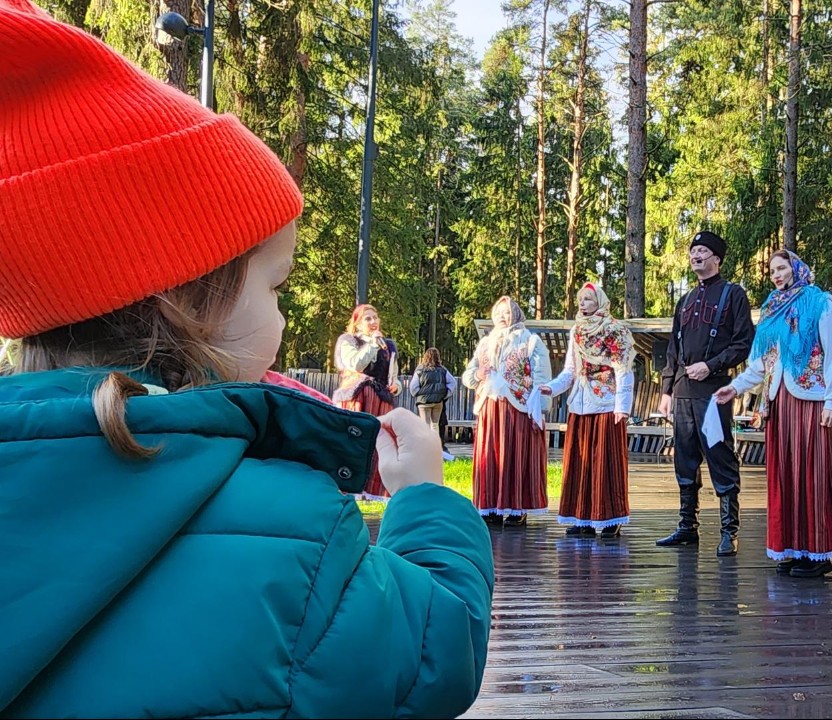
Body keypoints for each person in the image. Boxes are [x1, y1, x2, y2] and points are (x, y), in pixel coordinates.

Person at [0, 4, 494, 718]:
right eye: (275, 286)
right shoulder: (302, 536)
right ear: (189, 302)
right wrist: (424, 498)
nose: (283, 315)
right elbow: (433, 651)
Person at [715, 249, 832, 578]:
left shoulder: (820, 302)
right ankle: (790, 548)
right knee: (786, 476)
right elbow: (762, 362)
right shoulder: (772, 307)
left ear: (796, 268)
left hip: (811, 399)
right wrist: (735, 387)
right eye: (772, 270)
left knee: (812, 474)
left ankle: (818, 554)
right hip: (780, 403)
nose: (776, 274)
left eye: (782, 268)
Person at [655, 230, 755, 556]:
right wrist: (667, 390)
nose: (695, 256)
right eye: (692, 251)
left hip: (714, 392)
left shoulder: (733, 294)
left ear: (717, 258)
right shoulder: (685, 300)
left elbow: (743, 343)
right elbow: (674, 349)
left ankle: (729, 532)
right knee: (684, 459)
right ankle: (687, 527)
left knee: (720, 456)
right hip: (683, 391)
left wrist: (711, 366)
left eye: (702, 251)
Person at [540, 283, 636, 539]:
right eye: (580, 299)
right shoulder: (578, 331)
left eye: (588, 299)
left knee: (605, 463)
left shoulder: (615, 329)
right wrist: (552, 388)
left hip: (606, 404)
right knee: (580, 463)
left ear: (600, 301)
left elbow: (623, 370)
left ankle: (610, 518)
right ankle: (582, 517)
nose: (582, 303)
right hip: (581, 405)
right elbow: (571, 370)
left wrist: (622, 406)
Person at [462, 296, 551, 526]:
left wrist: (540, 410)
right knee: (490, 456)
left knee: (514, 456)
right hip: (490, 408)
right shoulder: (486, 342)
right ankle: (490, 506)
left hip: (518, 408)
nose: (502, 316)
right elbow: (468, 376)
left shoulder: (530, 341)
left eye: (507, 312)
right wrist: (478, 374)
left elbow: (541, 377)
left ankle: (516, 508)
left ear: (516, 314)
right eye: (499, 312)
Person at [333, 303, 401, 501]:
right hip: (356, 399)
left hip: (380, 399)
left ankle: (374, 490)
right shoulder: (348, 340)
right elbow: (356, 364)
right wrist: (372, 344)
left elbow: (393, 374)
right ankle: (349, 488)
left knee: (381, 445)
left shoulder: (388, 345)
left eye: (375, 317)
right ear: (357, 324)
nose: (373, 321)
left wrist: (396, 385)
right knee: (355, 443)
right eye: (367, 318)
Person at [409, 347, 457, 437]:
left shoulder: (420, 370)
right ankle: (435, 443)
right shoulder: (443, 370)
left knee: (425, 425)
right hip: (438, 401)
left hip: (424, 402)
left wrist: (419, 394)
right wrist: (446, 394)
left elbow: (413, 387)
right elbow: (453, 382)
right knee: (435, 425)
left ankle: (426, 444)